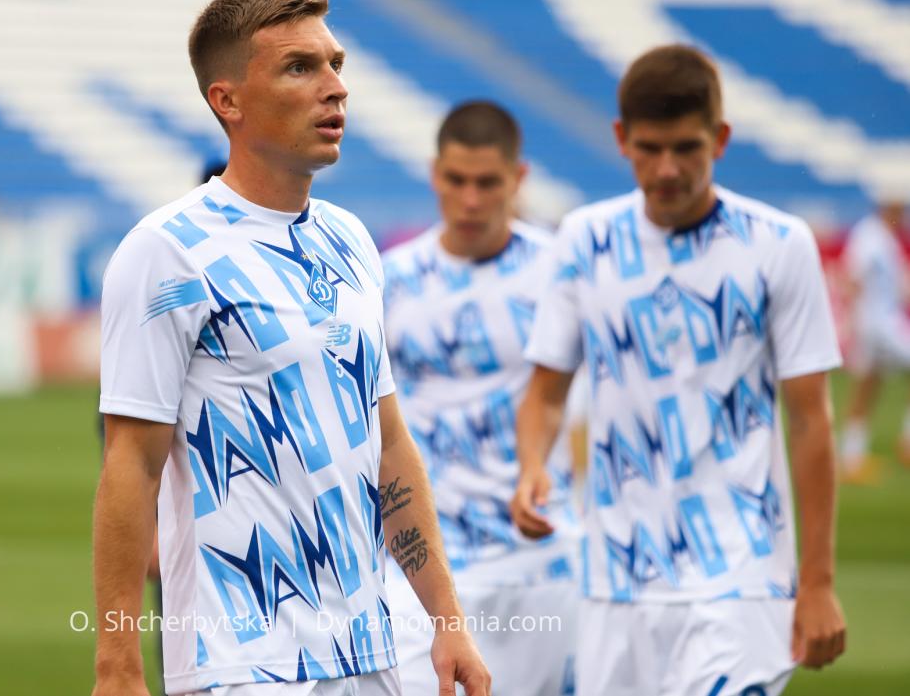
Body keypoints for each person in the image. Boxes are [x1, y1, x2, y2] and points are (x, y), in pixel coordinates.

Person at [94, 0, 490, 696]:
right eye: (300, 68)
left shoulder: (350, 240)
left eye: (336, 64)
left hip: (370, 656)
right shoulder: (166, 252)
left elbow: (388, 443)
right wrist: (117, 665)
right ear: (228, 101)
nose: (336, 87)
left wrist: (446, 618)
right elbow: (131, 462)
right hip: (243, 665)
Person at [512, 45, 847, 696]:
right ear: (621, 139)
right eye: (650, 148)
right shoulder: (583, 239)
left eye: (687, 148)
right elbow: (547, 393)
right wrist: (532, 466)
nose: (668, 168)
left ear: (720, 138)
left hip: (741, 574)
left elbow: (810, 419)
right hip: (615, 580)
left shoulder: (779, 244)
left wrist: (819, 582)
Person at [380, 101, 580, 695]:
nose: (470, 200)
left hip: (540, 560)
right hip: (422, 565)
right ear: (433, 174)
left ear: (518, 179)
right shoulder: (388, 279)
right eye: (456, 180)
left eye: (488, 183)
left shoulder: (561, 272)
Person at [839, 197, 910, 481]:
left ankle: (852, 457)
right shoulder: (869, 235)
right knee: (866, 385)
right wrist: (853, 321)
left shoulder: (884, 237)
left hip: (879, 322)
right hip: (878, 324)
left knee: (868, 384)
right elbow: (853, 278)